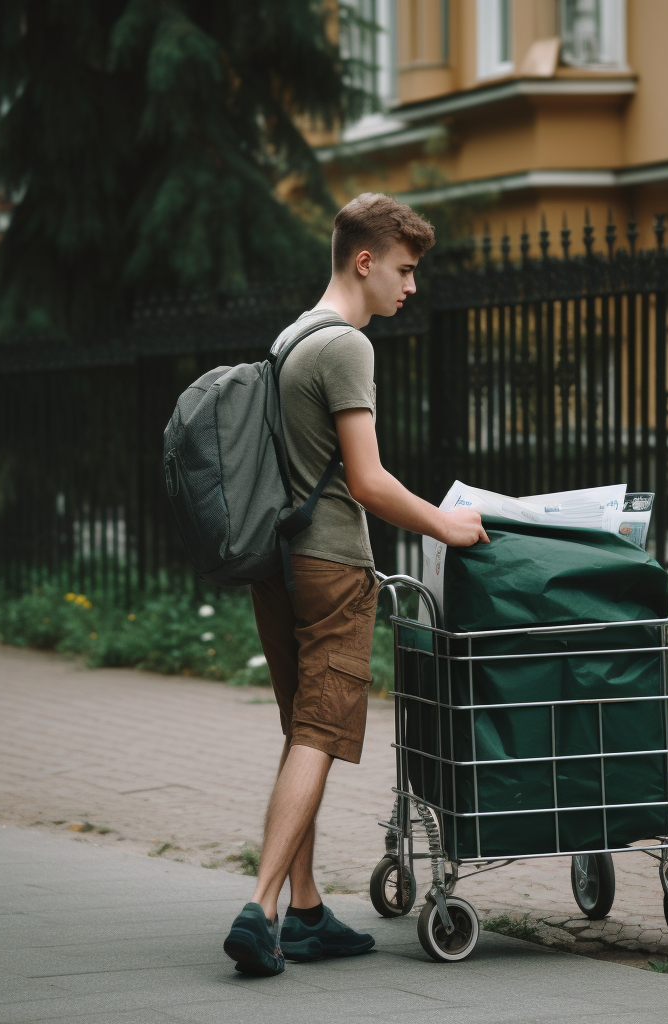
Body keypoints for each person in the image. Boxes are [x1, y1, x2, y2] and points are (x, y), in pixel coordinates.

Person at [222, 193, 488, 976]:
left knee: (301, 727)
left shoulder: (289, 336)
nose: (410, 287)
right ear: (364, 260)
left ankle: (304, 911)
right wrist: (446, 524)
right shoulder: (346, 347)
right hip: (331, 564)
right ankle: (261, 909)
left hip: (275, 562)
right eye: (404, 270)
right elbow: (367, 482)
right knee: (320, 731)